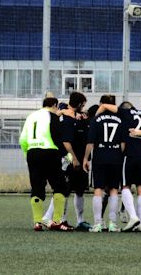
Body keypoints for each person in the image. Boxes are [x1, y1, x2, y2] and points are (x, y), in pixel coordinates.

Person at [96, 100, 141, 232]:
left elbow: (104, 105)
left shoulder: (125, 112)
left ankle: (133, 216)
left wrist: (95, 119)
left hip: (130, 155)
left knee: (125, 186)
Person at [19, 96, 72, 231]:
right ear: (54, 105)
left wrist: (28, 154)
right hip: (50, 153)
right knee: (60, 186)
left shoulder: (31, 116)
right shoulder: (52, 117)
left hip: (32, 153)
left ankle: (37, 222)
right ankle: (57, 220)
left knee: (37, 187)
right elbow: (56, 137)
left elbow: (22, 139)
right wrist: (66, 154)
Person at [42, 92, 91, 231]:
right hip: (69, 159)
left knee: (80, 190)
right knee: (64, 189)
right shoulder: (67, 118)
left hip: (80, 160)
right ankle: (54, 218)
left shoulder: (78, 117)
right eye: (83, 104)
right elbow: (66, 142)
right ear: (80, 103)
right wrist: (73, 159)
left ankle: (80, 221)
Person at [83, 94, 125, 233]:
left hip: (100, 156)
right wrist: (119, 154)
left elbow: (90, 142)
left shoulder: (96, 119)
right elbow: (123, 143)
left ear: (101, 103)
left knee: (98, 189)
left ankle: (98, 223)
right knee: (114, 190)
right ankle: (112, 223)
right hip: (116, 156)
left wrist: (85, 158)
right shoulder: (121, 119)